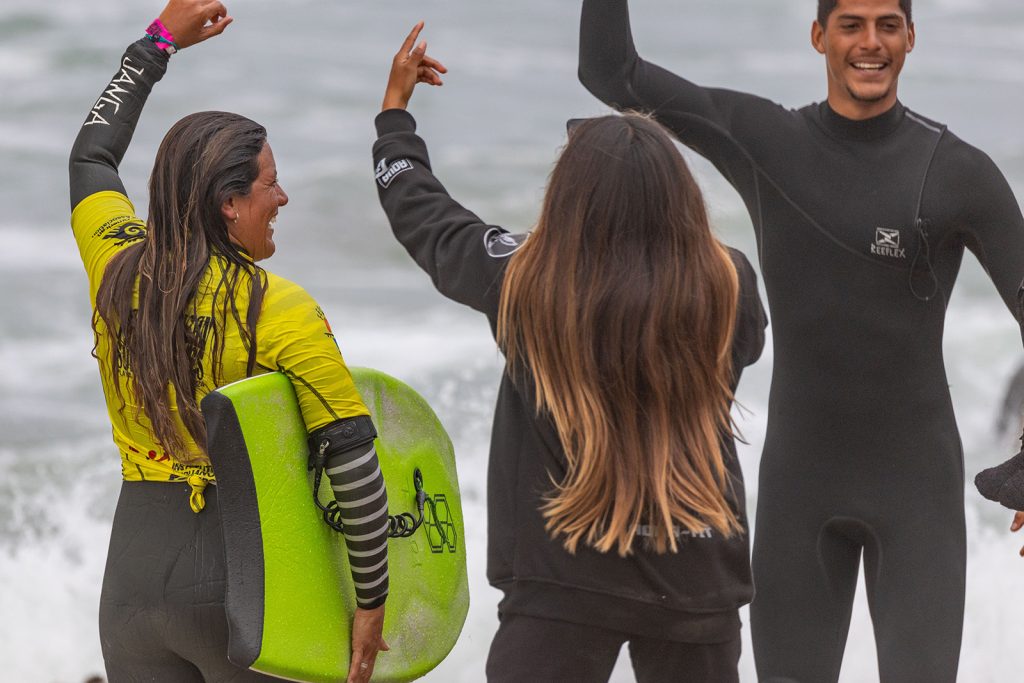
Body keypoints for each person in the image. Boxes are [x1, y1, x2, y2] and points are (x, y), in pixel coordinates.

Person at [578, 0, 1024, 681]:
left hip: (918, 496)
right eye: (851, 24)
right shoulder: (767, 142)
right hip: (800, 488)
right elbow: (612, 72)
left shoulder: (957, 172)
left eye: (888, 25)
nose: (870, 43)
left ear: (910, 37)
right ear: (819, 35)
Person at [374, 23, 766, 683]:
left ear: (571, 196)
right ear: (678, 193)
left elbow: (424, 216)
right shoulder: (729, 281)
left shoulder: (526, 279)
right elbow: (746, 350)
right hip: (696, 573)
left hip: (561, 576)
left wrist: (394, 118)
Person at [68, 2, 389, 681]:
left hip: (131, 587)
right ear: (229, 202)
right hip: (241, 583)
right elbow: (352, 461)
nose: (283, 198)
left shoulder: (115, 262)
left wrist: (156, 43)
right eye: (270, 184)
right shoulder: (279, 308)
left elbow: (92, 155)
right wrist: (372, 601)